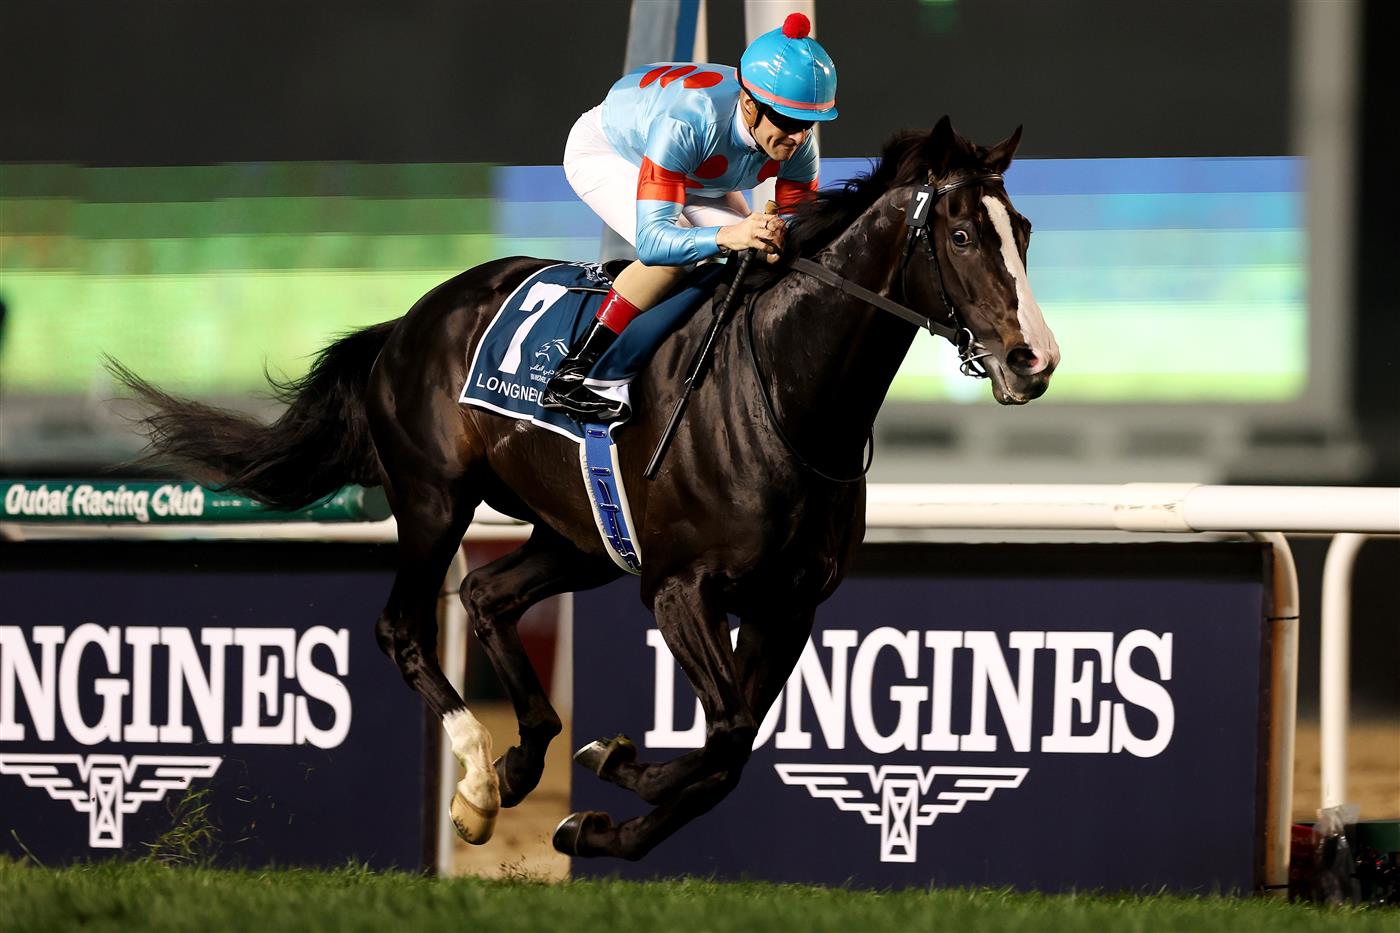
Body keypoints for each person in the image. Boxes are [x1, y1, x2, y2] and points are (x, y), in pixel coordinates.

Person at [540, 12, 838, 421]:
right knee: (675, 259)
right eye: (787, 123)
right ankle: (576, 374)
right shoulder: (688, 120)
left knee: (745, 255)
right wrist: (728, 234)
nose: (798, 139)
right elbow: (653, 242)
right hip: (614, 153)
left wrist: (773, 235)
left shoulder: (798, 144)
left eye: (808, 124)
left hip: (696, 172)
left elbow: (795, 227)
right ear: (749, 106)